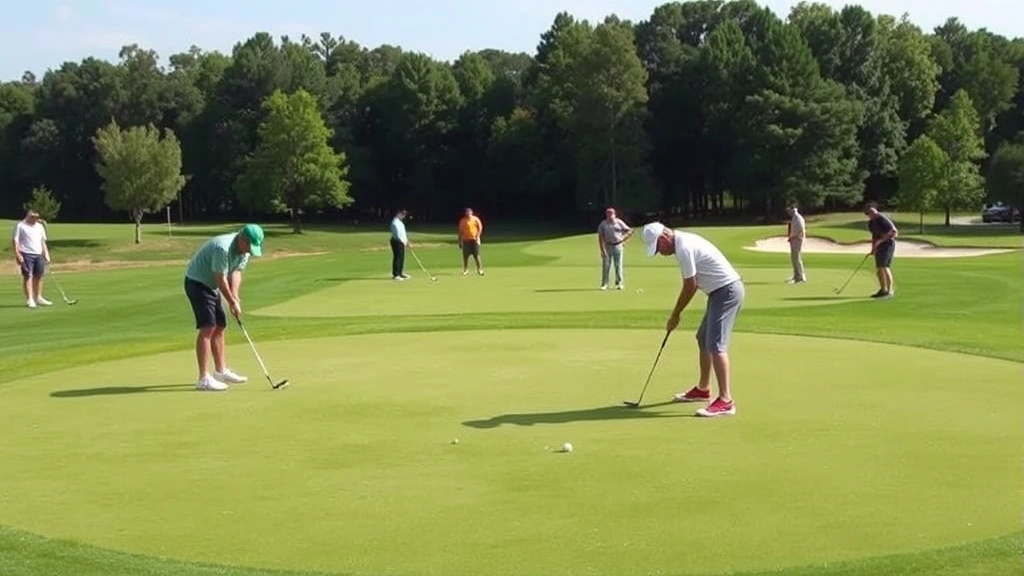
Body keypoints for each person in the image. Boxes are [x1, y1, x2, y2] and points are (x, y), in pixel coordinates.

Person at [641, 222, 745, 418]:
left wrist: (675, 314)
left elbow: (691, 285)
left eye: (657, 248)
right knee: (702, 337)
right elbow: (694, 285)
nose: (659, 253)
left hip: (727, 291)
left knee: (716, 345)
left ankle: (726, 401)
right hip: (719, 292)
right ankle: (703, 389)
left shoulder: (683, 247)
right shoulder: (683, 242)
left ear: (664, 238)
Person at [183, 224, 265, 392]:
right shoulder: (223, 248)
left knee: (220, 326)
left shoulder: (244, 251)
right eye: (249, 246)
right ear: (242, 239)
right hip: (197, 283)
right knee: (208, 327)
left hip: (211, 285)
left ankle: (220, 371)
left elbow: (235, 272)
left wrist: (235, 297)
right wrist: (231, 301)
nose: (249, 251)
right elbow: (220, 278)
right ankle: (203, 378)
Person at [11, 210, 52, 308]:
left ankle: (38, 297)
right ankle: (30, 299)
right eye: (33, 218)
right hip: (26, 253)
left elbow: (42, 241)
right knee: (28, 276)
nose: (35, 220)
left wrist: (46, 253)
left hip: (38, 254)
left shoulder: (39, 226)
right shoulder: (20, 226)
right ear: (28, 217)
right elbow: (15, 241)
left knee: (39, 276)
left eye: (37, 218)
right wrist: (18, 254)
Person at [865, 203, 898, 298]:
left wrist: (882, 240)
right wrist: (873, 249)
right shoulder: (871, 223)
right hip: (879, 246)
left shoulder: (883, 219)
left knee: (884, 266)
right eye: (870, 212)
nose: (874, 213)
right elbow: (874, 237)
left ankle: (890, 290)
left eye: (874, 211)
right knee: (879, 268)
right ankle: (883, 290)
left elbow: (894, 232)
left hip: (888, 245)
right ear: (868, 215)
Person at [597, 208, 633, 290]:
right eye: (608, 214)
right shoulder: (603, 224)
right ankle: (605, 284)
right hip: (607, 246)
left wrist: (624, 239)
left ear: (614, 214)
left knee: (618, 265)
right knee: (606, 265)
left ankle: (619, 283)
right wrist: (602, 250)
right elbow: (600, 237)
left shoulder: (619, 222)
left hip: (618, 246)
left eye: (611, 214)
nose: (610, 215)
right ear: (606, 215)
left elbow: (630, 231)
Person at [458, 207, 485, 276]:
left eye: (469, 213)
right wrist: (460, 241)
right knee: (465, 256)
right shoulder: (463, 221)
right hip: (466, 240)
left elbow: (480, 228)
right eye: (467, 213)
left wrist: (478, 236)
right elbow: (460, 231)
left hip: (474, 240)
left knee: (476, 255)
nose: (468, 214)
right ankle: (466, 270)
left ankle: (479, 269)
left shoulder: (475, 219)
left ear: (471, 213)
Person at [786, 205, 807, 283]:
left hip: (797, 240)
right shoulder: (794, 217)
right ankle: (797, 275)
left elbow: (801, 229)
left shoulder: (798, 217)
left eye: (789, 210)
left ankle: (798, 277)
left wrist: (793, 236)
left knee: (796, 258)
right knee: (795, 258)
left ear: (793, 209)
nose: (788, 212)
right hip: (794, 239)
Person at [390, 209, 410, 281]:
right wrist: (404, 242)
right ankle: (396, 275)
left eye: (404, 214)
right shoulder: (395, 222)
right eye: (402, 214)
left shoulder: (400, 222)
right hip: (396, 241)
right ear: (398, 214)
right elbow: (398, 235)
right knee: (398, 257)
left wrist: (406, 241)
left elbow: (403, 233)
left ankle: (400, 273)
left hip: (401, 241)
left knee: (401, 257)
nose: (403, 216)